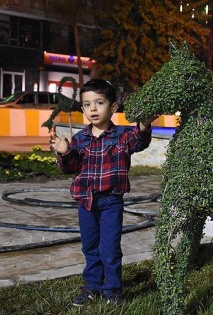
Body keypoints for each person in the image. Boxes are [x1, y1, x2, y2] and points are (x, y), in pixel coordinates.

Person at [49, 79, 158, 306]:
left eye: (99, 103)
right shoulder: (79, 139)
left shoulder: (122, 136)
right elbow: (71, 168)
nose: (93, 109)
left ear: (113, 108)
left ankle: (113, 289)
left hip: (111, 202)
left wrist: (144, 126)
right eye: (87, 104)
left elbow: (140, 141)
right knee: (90, 247)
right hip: (85, 202)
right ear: (83, 109)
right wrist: (65, 152)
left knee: (109, 249)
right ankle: (92, 286)